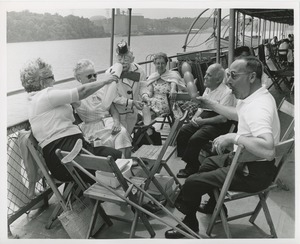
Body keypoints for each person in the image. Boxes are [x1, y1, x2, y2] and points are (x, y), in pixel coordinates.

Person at [165, 56, 280, 238]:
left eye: (233, 76)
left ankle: (189, 224)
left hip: (253, 172)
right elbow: (237, 114)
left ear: (251, 77)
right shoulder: (255, 96)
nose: (228, 81)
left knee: (193, 182)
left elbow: (268, 149)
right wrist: (211, 104)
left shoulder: (258, 107)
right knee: (208, 163)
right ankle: (215, 206)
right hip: (246, 161)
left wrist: (234, 137)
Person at [20, 58, 121, 183]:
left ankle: (108, 195)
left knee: (116, 157)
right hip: (69, 157)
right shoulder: (45, 95)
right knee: (119, 161)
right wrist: (105, 81)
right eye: (51, 77)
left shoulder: (33, 100)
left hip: (63, 158)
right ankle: (124, 195)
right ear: (42, 81)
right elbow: (82, 91)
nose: (54, 80)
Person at [176, 63, 236, 178]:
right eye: (206, 74)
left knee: (196, 138)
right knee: (183, 132)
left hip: (218, 123)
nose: (204, 77)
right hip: (204, 118)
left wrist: (202, 122)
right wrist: (194, 118)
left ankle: (191, 167)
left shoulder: (226, 93)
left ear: (218, 79)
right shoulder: (209, 88)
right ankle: (193, 162)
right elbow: (201, 107)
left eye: (209, 75)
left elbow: (223, 118)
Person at [73, 59, 132, 158]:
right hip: (92, 129)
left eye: (95, 75)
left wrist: (117, 122)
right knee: (115, 139)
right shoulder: (77, 96)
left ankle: (123, 164)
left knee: (121, 132)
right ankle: (120, 165)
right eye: (89, 76)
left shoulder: (102, 90)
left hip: (109, 123)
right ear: (80, 78)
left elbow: (113, 111)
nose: (93, 78)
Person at [106, 40, 146, 135]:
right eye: (120, 59)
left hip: (133, 111)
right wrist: (131, 102)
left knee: (129, 134)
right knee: (121, 135)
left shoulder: (139, 70)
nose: (123, 62)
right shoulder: (110, 73)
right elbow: (113, 96)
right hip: (118, 112)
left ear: (132, 59)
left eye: (126, 59)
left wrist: (145, 95)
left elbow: (143, 85)